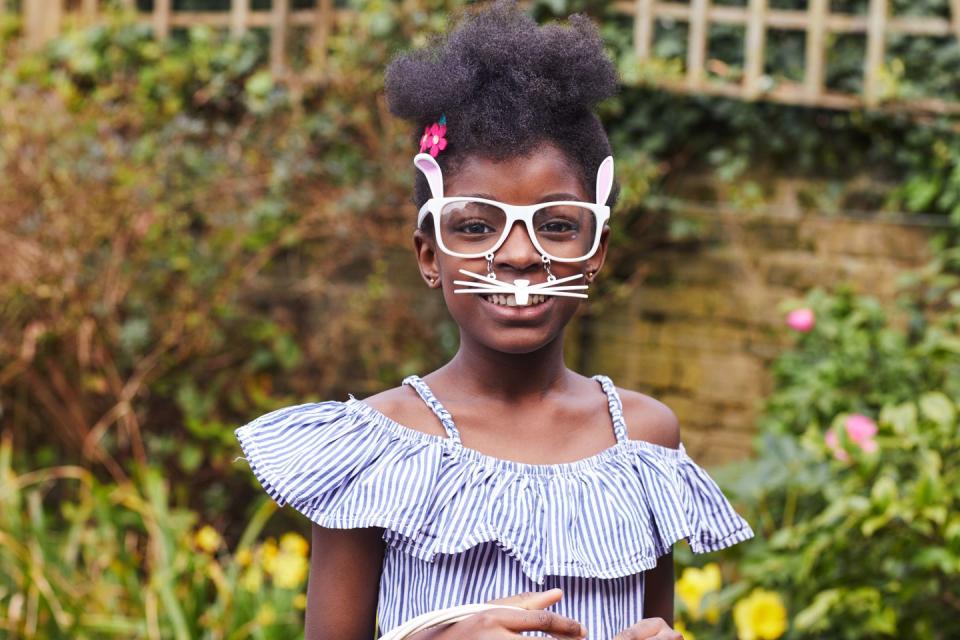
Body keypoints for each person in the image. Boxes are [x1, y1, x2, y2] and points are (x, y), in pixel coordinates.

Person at [235, 2, 753, 638]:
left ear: (598, 251)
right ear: (430, 254)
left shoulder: (643, 442)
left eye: (557, 225)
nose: (516, 255)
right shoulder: (374, 450)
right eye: (476, 227)